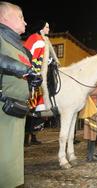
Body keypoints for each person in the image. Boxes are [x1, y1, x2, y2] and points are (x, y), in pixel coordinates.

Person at [0, 2, 42, 187]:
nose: (25, 23)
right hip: (2, 111)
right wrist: (24, 70)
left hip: (16, 111)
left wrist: (33, 81)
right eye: (20, 17)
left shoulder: (22, 48)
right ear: (3, 18)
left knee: (12, 165)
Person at [24, 20, 60, 145]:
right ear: (41, 28)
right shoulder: (37, 39)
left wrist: (51, 61)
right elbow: (31, 57)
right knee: (32, 104)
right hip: (33, 75)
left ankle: (33, 126)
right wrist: (34, 73)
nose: (49, 29)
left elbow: (42, 58)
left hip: (38, 73)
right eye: (47, 27)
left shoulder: (42, 40)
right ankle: (30, 120)